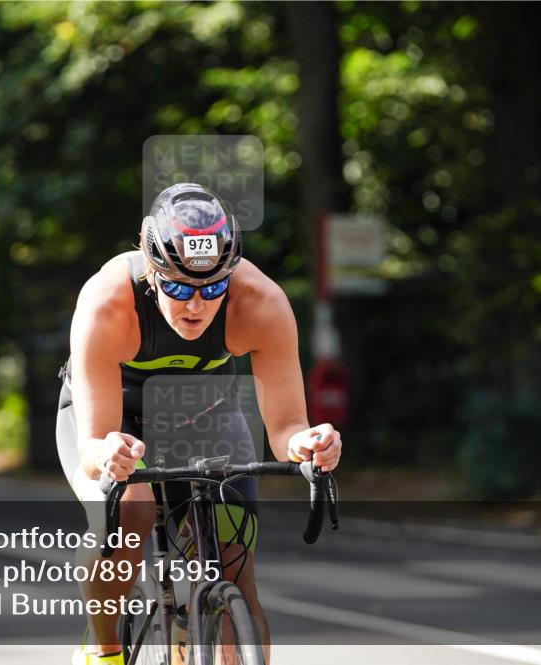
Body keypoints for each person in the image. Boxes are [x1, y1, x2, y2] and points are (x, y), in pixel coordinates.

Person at [56, 183, 343, 665]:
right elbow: (93, 445)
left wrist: (308, 443)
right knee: (132, 513)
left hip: (205, 414)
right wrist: (108, 455)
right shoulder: (107, 302)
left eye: (212, 288)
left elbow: (286, 428)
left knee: (235, 565)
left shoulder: (261, 303)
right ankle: (103, 647)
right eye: (177, 288)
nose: (195, 305)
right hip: (114, 422)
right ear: (152, 269)